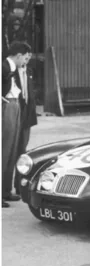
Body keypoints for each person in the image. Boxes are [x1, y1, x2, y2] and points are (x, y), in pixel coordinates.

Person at [2, 41, 31, 207]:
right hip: (7, 106)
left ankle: (5, 191)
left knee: (12, 151)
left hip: (15, 105)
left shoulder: (15, 69)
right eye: (25, 58)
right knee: (4, 151)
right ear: (19, 55)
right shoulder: (4, 67)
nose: (25, 62)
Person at [15, 51, 37, 196]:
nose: (26, 60)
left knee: (23, 151)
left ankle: (18, 185)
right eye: (25, 57)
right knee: (13, 151)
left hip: (27, 117)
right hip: (17, 114)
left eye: (29, 58)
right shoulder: (12, 71)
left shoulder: (28, 71)